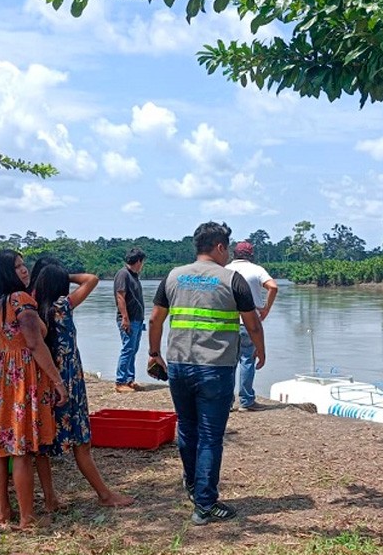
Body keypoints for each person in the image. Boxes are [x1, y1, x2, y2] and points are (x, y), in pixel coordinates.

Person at [147, 222, 264, 525]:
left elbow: (156, 319)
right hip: (216, 367)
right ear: (220, 247)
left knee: (187, 428)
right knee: (211, 436)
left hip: (179, 365)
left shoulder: (173, 276)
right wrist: (261, 350)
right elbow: (252, 324)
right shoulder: (231, 280)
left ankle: (193, 485)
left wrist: (153, 353)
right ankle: (206, 504)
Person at [0, 249, 66, 529]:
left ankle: (3, 511)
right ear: (6, 273)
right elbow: (34, 343)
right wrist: (57, 380)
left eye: (23, 265)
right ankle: (27, 516)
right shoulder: (21, 300)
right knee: (21, 449)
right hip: (19, 379)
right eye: (17, 267)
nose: (24, 270)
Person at [33, 264, 135, 508]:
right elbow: (92, 278)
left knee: (43, 445)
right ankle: (104, 495)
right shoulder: (63, 307)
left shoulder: (32, 310)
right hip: (69, 381)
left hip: (45, 381)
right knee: (82, 442)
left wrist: (46, 277)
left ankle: (50, 499)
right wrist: (62, 274)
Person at [225, 241, 278, 411]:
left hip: (227, 322)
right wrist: (266, 309)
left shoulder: (225, 270)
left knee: (229, 363)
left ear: (234, 254)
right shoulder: (257, 270)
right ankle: (246, 401)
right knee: (247, 360)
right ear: (251, 255)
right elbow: (273, 287)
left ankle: (227, 402)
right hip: (250, 322)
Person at [114, 247, 147, 393]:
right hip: (129, 319)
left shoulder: (134, 275)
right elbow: (120, 296)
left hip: (137, 319)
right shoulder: (123, 274)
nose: (142, 265)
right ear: (138, 261)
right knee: (128, 349)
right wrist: (125, 318)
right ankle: (120, 381)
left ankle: (129, 379)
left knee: (133, 349)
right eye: (142, 262)